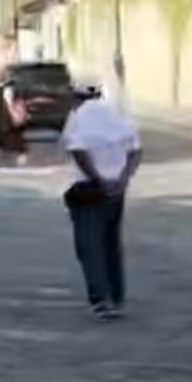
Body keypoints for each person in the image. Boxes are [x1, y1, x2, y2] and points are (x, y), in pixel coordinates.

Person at [61, 86, 142, 320]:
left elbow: (76, 149)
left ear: (77, 98)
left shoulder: (77, 118)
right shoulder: (116, 115)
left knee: (89, 245)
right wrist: (122, 178)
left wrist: (96, 178)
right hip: (116, 190)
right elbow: (135, 149)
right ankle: (116, 296)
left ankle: (101, 299)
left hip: (89, 189)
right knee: (111, 244)